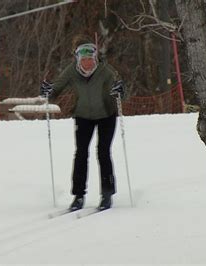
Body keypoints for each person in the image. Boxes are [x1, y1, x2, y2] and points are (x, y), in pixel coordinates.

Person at [40, 34, 125, 211]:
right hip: (83, 116)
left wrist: (120, 91)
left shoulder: (105, 71)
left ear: (95, 58)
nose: (88, 64)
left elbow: (120, 89)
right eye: (84, 60)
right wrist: (48, 91)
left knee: (103, 152)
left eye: (90, 60)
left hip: (106, 115)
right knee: (80, 154)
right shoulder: (72, 71)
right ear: (78, 59)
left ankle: (107, 194)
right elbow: (56, 88)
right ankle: (79, 196)